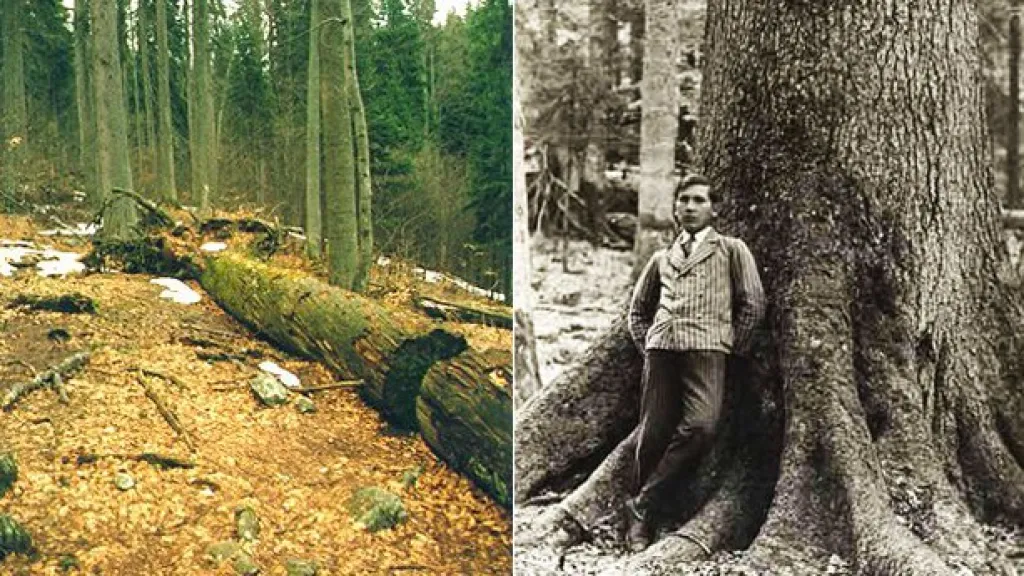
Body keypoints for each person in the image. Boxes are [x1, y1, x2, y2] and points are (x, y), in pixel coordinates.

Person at [623, 173, 766, 552]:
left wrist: (731, 348)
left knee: (701, 426)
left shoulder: (731, 249)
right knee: (652, 432)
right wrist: (650, 343)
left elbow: (753, 303)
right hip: (662, 351)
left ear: (714, 208)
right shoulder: (661, 257)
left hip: (708, 350)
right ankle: (640, 521)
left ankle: (643, 504)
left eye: (699, 200)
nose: (689, 206)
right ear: (675, 207)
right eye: (684, 199)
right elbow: (637, 311)